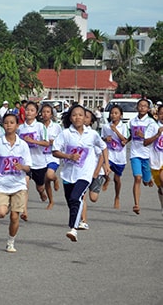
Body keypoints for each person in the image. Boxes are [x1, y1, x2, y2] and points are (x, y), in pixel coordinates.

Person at [52, 104, 109, 242]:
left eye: (80, 115)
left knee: (76, 198)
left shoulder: (92, 134)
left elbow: (104, 147)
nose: (77, 117)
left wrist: (106, 164)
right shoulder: (65, 134)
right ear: (70, 118)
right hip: (68, 174)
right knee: (71, 201)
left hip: (85, 174)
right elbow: (55, 151)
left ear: (85, 118)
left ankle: (73, 228)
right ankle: (76, 221)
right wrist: (69, 156)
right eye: (74, 115)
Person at [0, 113, 31, 253]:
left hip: (18, 185)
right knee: (1, 213)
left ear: (17, 125)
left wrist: (22, 167)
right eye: (6, 122)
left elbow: (28, 166)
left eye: (12, 122)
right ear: (3, 125)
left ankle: (11, 241)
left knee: (15, 216)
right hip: (2, 185)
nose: (9, 125)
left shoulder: (23, 145)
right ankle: (6, 204)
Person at [18, 101, 48, 217]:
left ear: (36, 114)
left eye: (32, 110)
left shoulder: (40, 127)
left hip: (39, 162)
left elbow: (46, 143)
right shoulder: (20, 128)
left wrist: (33, 141)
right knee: (24, 186)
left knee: (40, 186)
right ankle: (24, 210)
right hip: (25, 163)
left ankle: (42, 192)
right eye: (27, 110)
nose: (29, 112)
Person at [128, 98, 157, 214]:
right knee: (137, 178)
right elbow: (130, 134)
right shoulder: (132, 121)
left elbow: (151, 140)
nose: (142, 108)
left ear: (148, 108)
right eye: (140, 106)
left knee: (145, 180)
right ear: (137, 107)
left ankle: (148, 179)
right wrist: (126, 140)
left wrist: (143, 135)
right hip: (135, 154)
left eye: (145, 106)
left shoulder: (151, 123)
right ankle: (136, 204)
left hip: (147, 155)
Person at [100, 104, 129, 209]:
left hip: (120, 157)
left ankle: (117, 197)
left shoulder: (124, 126)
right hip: (109, 155)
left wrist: (115, 130)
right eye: (112, 113)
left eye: (116, 113)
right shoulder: (105, 126)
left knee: (117, 179)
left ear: (120, 115)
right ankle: (107, 179)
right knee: (104, 169)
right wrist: (105, 139)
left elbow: (124, 141)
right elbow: (101, 139)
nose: (113, 115)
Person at [40, 103, 62, 210]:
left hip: (52, 156)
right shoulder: (38, 126)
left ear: (51, 114)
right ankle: (51, 201)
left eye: (48, 112)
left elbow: (62, 141)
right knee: (46, 181)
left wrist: (54, 142)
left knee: (49, 175)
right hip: (40, 157)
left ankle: (55, 178)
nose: (45, 114)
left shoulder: (57, 127)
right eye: (43, 112)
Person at [144, 104, 163, 216]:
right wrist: (157, 135)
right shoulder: (153, 127)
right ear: (157, 115)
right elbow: (145, 142)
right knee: (160, 188)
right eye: (161, 113)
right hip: (155, 162)